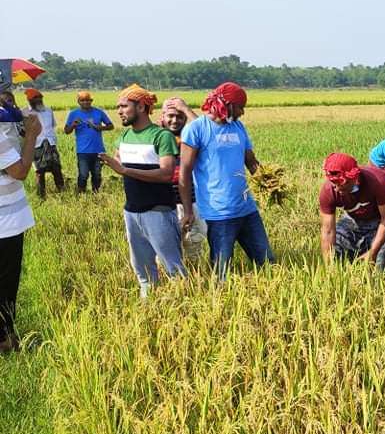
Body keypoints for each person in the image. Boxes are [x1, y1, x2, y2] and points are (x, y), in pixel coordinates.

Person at [178, 82, 275, 279]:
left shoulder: (238, 127)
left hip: (247, 209)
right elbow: (185, 173)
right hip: (219, 213)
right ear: (227, 104)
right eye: (240, 106)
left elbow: (251, 161)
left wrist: (270, 182)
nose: (242, 112)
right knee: (221, 272)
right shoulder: (196, 129)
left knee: (267, 262)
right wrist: (188, 210)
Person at [98, 85, 185, 298]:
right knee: (143, 271)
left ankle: (185, 310)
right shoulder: (125, 136)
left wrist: (124, 169)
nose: (119, 111)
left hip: (158, 212)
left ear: (141, 106)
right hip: (132, 212)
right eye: (118, 106)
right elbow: (121, 164)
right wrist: (114, 164)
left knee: (173, 267)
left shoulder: (161, 136)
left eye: (124, 106)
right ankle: (148, 309)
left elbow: (166, 173)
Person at [0, 96, 40, 352]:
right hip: (5, 221)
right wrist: (32, 136)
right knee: (5, 284)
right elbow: (20, 171)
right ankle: (4, 338)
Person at [319, 152, 385, 272]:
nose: (337, 189)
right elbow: (328, 231)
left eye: (341, 183)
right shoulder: (329, 191)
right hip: (354, 219)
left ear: (354, 177)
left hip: (384, 220)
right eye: (334, 184)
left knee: (383, 265)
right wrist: (329, 267)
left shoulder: (377, 182)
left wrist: (373, 253)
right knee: (336, 251)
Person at [158, 97, 206, 261]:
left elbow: (205, 131)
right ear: (162, 117)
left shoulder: (191, 138)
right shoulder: (156, 138)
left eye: (180, 116)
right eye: (170, 115)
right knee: (165, 248)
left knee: (193, 245)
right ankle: (169, 282)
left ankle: (195, 279)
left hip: (192, 201)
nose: (174, 120)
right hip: (164, 203)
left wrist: (186, 108)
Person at [64, 91, 113, 192]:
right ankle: (81, 193)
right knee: (83, 174)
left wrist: (98, 127)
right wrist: (73, 124)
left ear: (91, 101)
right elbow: (66, 131)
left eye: (88, 100)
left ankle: (96, 193)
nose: (85, 102)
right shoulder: (73, 114)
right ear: (78, 101)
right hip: (82, 151)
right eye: (82, 100)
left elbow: (111, 126)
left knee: (97, 174)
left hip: (98, 150)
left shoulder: (99, 112)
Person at [22, 88, 65, 198]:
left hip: (50, 143)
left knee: (57, 168)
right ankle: (41, 196)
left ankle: (62, 192)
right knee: (39, 171)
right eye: (35, 98)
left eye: (40, 97)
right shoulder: (25, 112)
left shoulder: (48, 110)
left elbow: (52, 126)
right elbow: (22, 130)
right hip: (36, 145)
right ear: (29, 100)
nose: (39, 99)